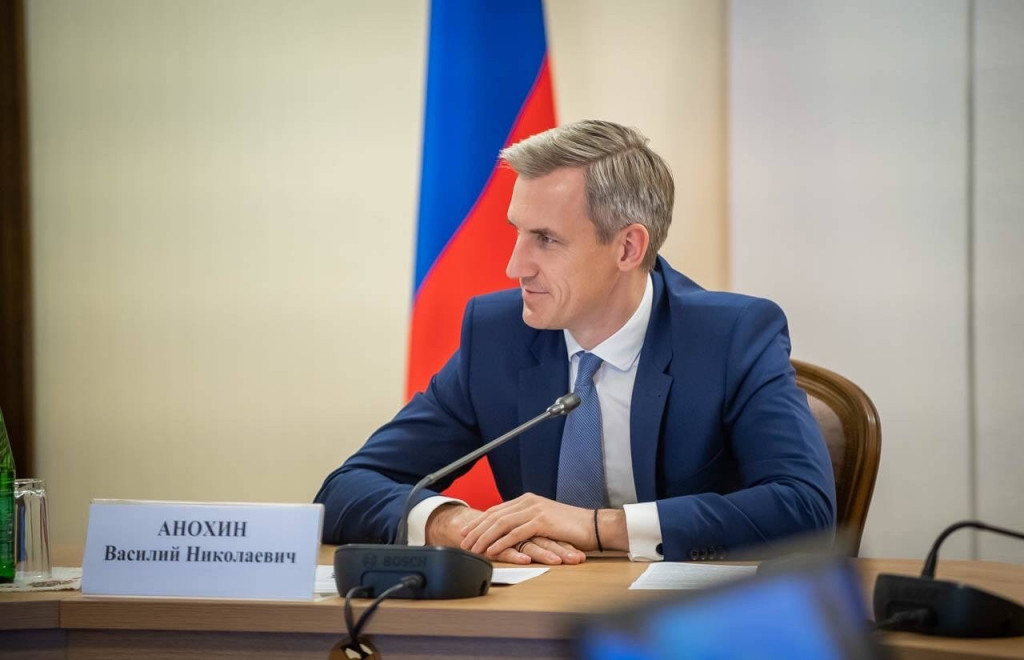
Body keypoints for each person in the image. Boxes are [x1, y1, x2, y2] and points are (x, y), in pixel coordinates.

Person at [315, 120, 836, 564]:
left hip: (693, 619)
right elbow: (347, 488)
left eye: (546, 239)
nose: (515, 266)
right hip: (537, 617)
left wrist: (597, 527)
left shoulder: (731, 337)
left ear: (628, 248)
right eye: (518, 232)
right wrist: (453, 524)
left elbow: (804, 507)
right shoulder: (497, 335)